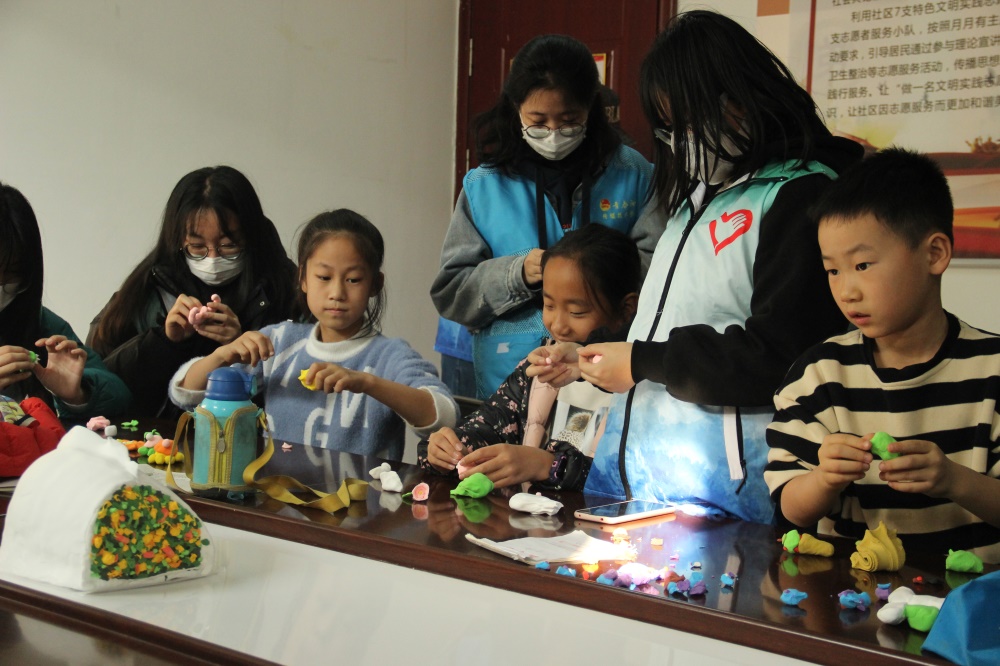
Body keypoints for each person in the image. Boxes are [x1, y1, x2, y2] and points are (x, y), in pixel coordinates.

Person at [550, 10, 864, 524]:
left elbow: (782, 356)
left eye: (689, 121)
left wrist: (642, 361)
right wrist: (594, 356)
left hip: (735, 493)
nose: (681, 141)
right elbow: (671, 320)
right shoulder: (697, 198)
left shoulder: (799, 194)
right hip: (648, 485)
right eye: (668, 129)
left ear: (739, 97)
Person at [765, 148, 1000, 562]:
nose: (846, 291)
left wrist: (954, 480)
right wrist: (824, 479)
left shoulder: (992, 369)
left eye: (862, 265)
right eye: (833, 270)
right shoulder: (819, 376)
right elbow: (790, 507)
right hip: (851, 588)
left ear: (934, 254)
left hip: (971, 594)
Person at [431, 34, 662, 400]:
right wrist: (517, 273)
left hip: (605, 378)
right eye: (538, 122)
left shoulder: (633, 175)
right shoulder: (484, 186)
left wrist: (592, 279)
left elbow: (659, 276)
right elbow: (451, 292)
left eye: (569, 121)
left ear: (591, 108)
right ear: (515, 109)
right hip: (509, 382)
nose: (554, 134)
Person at [169, 209, 458, 460]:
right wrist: (223, 354)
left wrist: (367, 383)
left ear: (375, 284)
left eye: (353, 279)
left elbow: (444, 415)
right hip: (276, 499)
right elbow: (185, 392)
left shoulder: (390, 356)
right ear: (303, 279)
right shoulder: (279, 342)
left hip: (364, 505)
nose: (337, 293)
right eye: (324, 277)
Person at [419, 224, 639, 489]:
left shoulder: (642, 386)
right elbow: (485, 428)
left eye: (577, 312)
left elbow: (629, 481)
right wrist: (446, 449)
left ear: (626, 309)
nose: (558, 325)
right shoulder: (538, 370)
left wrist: (548, 466)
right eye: (549, 305)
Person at [87, 166, 298, 417]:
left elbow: (300, 392)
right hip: (153, 438)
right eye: (197, 247)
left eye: (229, 245)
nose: (213, 258)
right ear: (177, 239)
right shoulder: (147, 291)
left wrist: (240, 347)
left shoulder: (287, 290)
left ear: (251, 237)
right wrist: (165, 341)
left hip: (248, 436)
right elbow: (97, 384)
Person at [0, 183, 130, 425]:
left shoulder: (39, 323)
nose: (2, 285)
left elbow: (119, 395)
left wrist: (78, 394)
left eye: (12, 274)